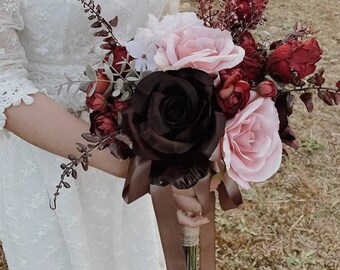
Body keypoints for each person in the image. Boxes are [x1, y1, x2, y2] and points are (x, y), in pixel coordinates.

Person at [0, 0, 209, 269]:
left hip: (138, 140)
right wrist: (145, 170)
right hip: (49, 162)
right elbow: (4, 82)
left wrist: (184, 152)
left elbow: (164, 39)